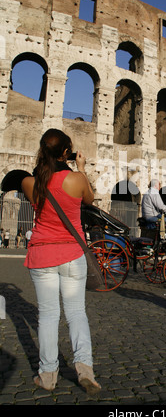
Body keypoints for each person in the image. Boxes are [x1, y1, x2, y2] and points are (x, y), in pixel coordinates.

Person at [21, 128, 101, 395]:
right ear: (66, 152)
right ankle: (85, 371)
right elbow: (89, 199)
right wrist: (80, 168)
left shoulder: (30, 183)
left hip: (42, 255)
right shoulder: (76, 179)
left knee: (48, 316)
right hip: (72, 255)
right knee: (76, 313)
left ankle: (47, 375)